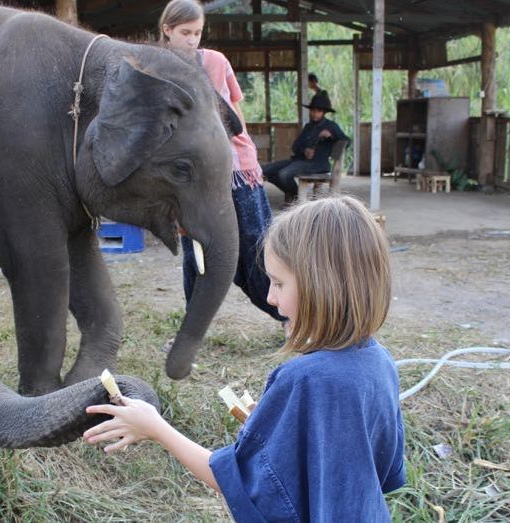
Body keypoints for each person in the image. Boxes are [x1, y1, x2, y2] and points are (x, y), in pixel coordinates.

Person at [84, 196, 407, 522]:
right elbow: (374, 466)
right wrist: (277, 425)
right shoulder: (381, 363)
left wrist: (155, 427)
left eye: (279, 283)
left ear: (322, 286)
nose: (269, 297)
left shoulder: (304, 379)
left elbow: (237, 479)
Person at [158, 0, 284, 322]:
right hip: (194, 177)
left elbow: (237, 119)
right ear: (167, 30)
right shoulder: (157, 71)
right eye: (185, 32)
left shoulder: (215, 61)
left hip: (236, 170)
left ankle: (288, 317)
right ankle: (193, 326)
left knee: (256, 245)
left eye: (197, 32)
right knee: (196, 252)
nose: (192, 39)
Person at [262, 91, 349, 202]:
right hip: (299, 161)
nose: (315, 113)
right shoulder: (308, 127)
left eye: (318, 111)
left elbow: (346, 141)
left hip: (318, 164)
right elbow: (295, 146)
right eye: (313, 110)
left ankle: (296, 197)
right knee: (265, 170)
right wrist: (305, 150)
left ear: (324, 112)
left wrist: (331, 135)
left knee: (284, 174)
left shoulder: (331, 126)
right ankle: (294, 193)